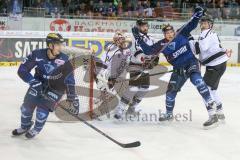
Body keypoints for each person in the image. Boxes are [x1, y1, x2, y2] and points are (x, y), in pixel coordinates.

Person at [132, 7, 218, 128]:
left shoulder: (181, 33)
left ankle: (212, 110)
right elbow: (148, 50)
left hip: (191, 63)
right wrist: (138, 38)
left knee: (197, 81)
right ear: (164, 34)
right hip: (178, 70)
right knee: (170, 93)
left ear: (173, 31)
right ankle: (169, 114)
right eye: (167, 33)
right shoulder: (161, 44)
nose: (170, 34)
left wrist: (198, 14)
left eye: (171, 32)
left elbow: (192, 24)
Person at [12, 33, 80, 138]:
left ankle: (36, 130)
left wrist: (72, 96)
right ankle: (25, 126)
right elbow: (22, 70)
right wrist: (33, 81)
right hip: (39, 84)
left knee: (41, 111)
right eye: (58, 44)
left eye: (61, 44)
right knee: (26, 108)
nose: (61, 47)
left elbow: (70, 79)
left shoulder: (65, 59)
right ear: (50, 45)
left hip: (56, 88)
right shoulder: (37, 54)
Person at [113, 19, 159, 120]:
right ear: (138, 27)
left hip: (145, 66)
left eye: (146, 25)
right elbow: (136, 51)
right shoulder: (135, 37)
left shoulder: (151, 38)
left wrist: (155, 59)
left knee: (144, 88)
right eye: (142, 26)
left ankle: (131, 107)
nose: (145, 27)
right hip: (135, 64)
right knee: (134, 87)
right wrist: (145, 60)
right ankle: (120, 108)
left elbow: (155, 51)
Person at [195, 16, 232, 122]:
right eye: (202, 23)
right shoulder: (211, 33)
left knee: (204, 90)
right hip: (220, 65)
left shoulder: (205, 33)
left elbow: (203, 48)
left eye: (206, 23)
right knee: (213, 90)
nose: (203, 25)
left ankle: (213, 115)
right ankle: (220, 112)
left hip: (215, 65)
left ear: (210, 25)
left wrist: (192, 45)